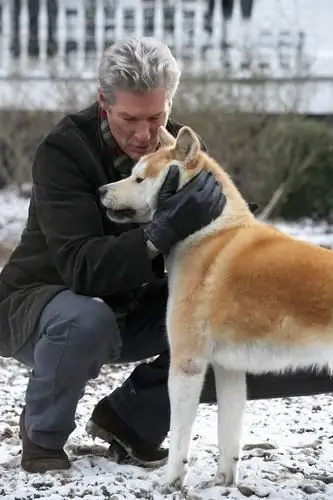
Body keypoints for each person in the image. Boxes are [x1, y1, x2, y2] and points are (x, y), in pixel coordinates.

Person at [0, 36, 331, 475]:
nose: (143, 133)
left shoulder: (182, 147)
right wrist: (159, 235)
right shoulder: (63, 152)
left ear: (170, 101)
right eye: (129, 118)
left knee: (241, 316)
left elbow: (227, 231)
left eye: (156, 116)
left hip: (136, 306)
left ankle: (130, 419)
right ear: (104, 102)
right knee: (86, 318)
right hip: (43, 305)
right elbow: (80, 268)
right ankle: (42, 436)